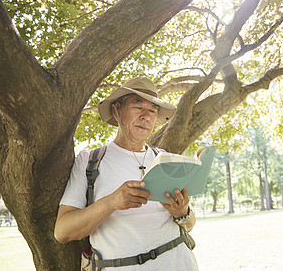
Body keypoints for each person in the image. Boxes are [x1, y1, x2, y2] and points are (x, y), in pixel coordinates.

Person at [54, 77, 198, 270]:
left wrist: (182, 212)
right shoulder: (90, 161)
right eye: (138, 107)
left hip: (179, 263)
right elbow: (62, 232)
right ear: (116, 110)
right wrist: (111, 202)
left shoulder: (166, 159)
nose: (146, 116)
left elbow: (189, 225)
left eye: (153, 110)